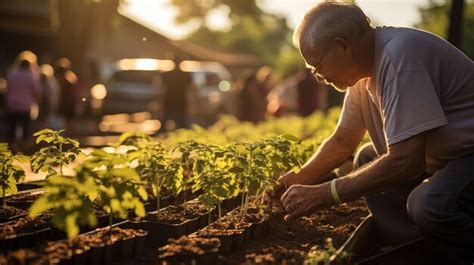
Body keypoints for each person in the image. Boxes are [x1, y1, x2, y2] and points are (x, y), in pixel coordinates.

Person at [264, 2, 474, 264]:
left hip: (468, 155)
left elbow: (407, 160)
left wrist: (326, 193)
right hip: (446, 157)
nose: (318, 77)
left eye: (317, 66)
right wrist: (295, 180)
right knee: (366, 156)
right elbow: (343, 142)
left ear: (342, 46)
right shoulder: (363, 74)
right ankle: (416, 244)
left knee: (429, 204)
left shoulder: (400, 58)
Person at [5, 51, 41, 152]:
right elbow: (36, 91)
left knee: (12, 128)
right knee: (25, 129)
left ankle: (11, 149)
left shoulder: (12, 74)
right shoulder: (31, 76)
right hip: (26, 106)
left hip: (12, 105)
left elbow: (7, 89)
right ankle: (23, 149)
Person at [161, 56, 194, 130]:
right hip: (180, 102)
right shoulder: (186, 75)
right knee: (182, 125)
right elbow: (192, 89)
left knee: (165, 124)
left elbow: (160, 89)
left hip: (170, 101)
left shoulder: (166, 75)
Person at [54, 58, 79, 136]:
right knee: (69, 120)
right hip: (70, 102)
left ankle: (69, 136)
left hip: (67, 103)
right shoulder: (71, 77)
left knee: (68, 120)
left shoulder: (64, 80)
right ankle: (71, 135)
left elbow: (61, 93)